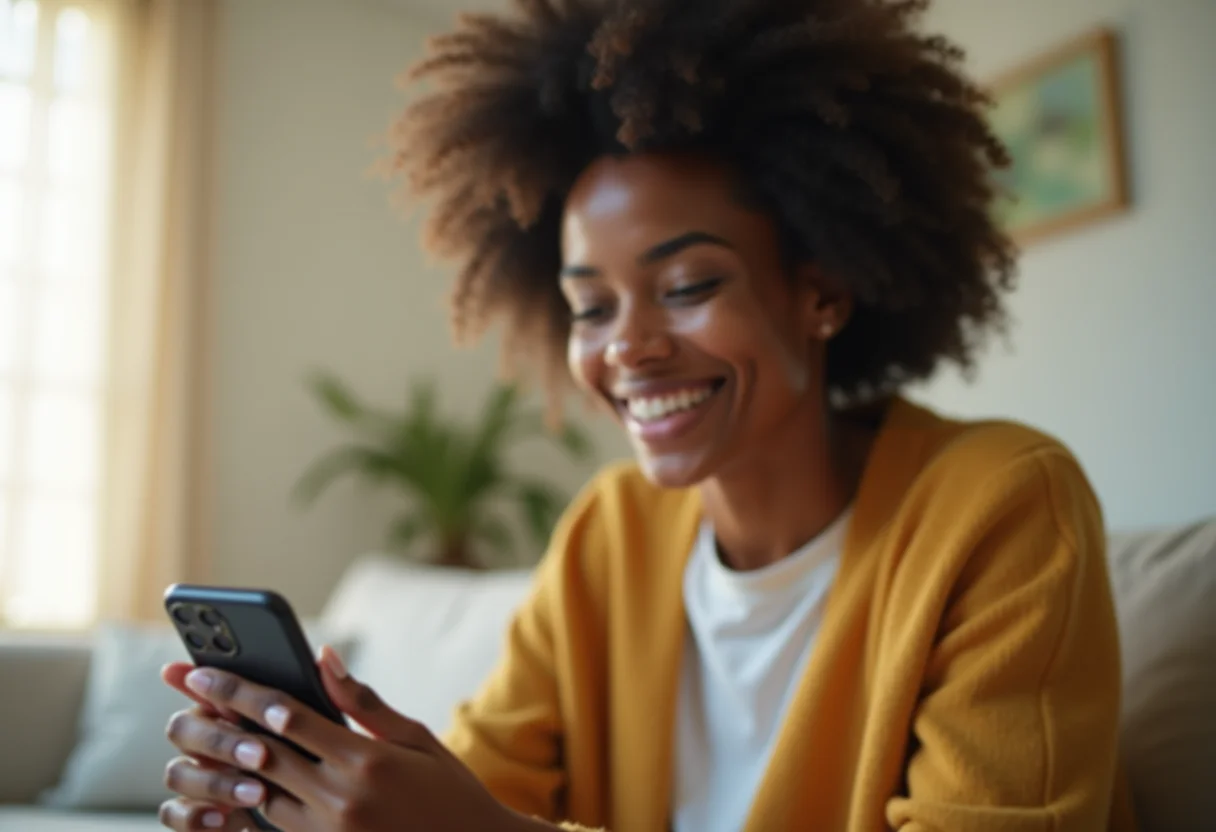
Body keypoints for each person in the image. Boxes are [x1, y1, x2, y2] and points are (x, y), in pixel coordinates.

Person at [157, 0, 1139, 829]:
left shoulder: (1003, 505)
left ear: (821, 291)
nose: (624, 345)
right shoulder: (608, 531)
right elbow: (484, 786)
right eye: (590, 305)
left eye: (686, 283)